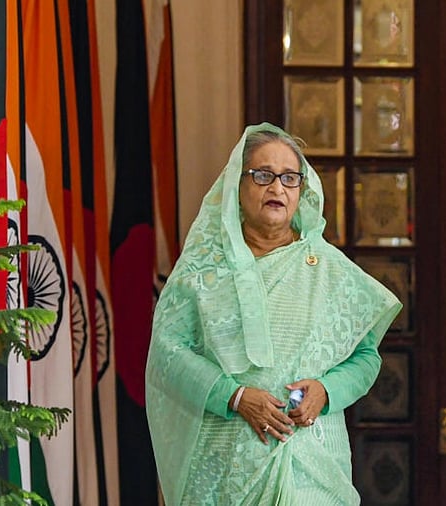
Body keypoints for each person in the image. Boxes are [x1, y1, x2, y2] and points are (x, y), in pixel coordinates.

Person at [146, 123, 402, 505]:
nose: (277, 188)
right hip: (226, 469)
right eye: (263, 175)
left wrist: (326, 391)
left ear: (301, 190)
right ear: (238, 186)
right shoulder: (203, 270)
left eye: (289, 178)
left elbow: (365, 358)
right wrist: (234, 396)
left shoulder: (330, 270)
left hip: (312, 465)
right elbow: (168, 353)